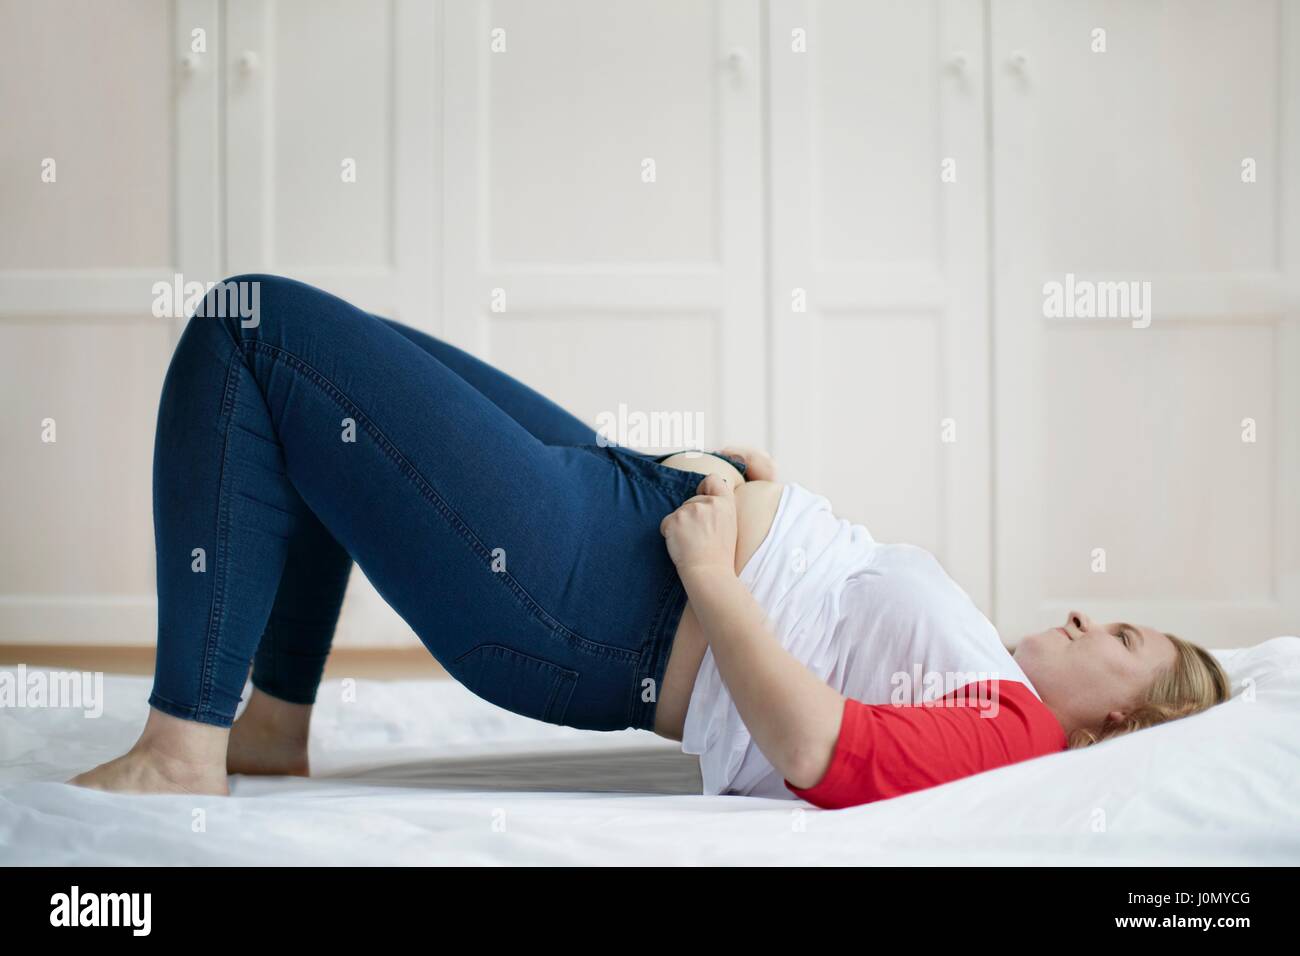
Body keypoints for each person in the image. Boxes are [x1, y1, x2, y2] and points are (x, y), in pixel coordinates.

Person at [70, 275, 1230, 807]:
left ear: (1123, 717)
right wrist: (769, 489)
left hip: (597, 603)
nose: (1085, 613)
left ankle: (185, 744)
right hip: (630, 523)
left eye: (1118, 633)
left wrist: (716, 575)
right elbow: (835, 616)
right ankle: (270, 724)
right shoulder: (981, 676)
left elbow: (817, 746)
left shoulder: (1012, 733)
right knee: (351, 359)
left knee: (251, 329)